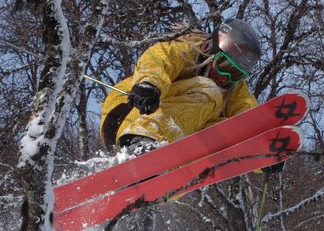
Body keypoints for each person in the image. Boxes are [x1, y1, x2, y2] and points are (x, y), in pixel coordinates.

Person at [100, 18, 262, 154]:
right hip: (129, 115)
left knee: (223, 131)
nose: (225, 78)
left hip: (167, 141)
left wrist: (263, 150)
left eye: (236, 74)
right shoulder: (187, 51)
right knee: (209, 90)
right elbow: (159, 60)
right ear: (213, 53)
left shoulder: (234, 88)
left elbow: (247, 117)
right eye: (225, 66)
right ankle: (141, 141)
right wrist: (148, 85)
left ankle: (163, 173)